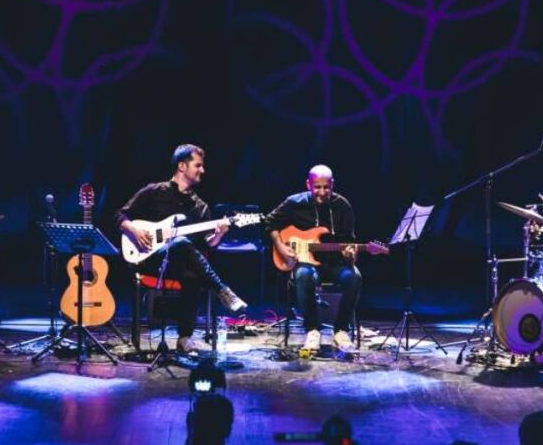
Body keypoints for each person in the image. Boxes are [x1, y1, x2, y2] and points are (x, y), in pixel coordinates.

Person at [116, 144, 248, 354]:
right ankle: (222, 290)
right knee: (181, 242)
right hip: (149, 260)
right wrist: (134, 230)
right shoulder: (154, 191)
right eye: (198, 165)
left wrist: (220, 232)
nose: (202, 171)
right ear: (182, 166)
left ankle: (184, 338)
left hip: (177, 265)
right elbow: (120, 216)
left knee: (192, 274)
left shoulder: (201, 207)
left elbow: (206, 245)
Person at [265, 165, 362, 353]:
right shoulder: (294, 202)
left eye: (327, 187)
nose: (322, 192)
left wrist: (351, 253)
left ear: (332, 185)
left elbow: (350, 243)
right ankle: (312, 330)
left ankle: (341, 331)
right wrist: (281, 247)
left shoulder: (343, 206)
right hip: (307, 263)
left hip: (335, 264)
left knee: (354, 277)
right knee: (303, 274)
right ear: (308, 184)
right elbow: (270, 222)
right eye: (317, 187)